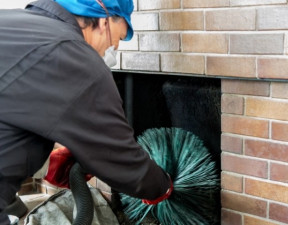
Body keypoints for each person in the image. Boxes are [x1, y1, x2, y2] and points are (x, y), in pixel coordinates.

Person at [0, 0, 172, 224]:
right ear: (104, 21)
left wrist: (59, 142)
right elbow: (118, 155)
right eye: (119, 38)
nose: (116, 49)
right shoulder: (71, 53)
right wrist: (161, 186)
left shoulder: (14, 23)